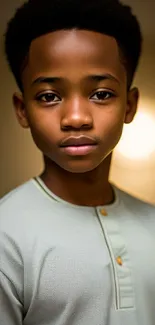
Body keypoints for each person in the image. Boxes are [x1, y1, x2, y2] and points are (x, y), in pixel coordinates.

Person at [1, 0, 155, 324]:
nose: (76, 118)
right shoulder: (6, 236)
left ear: (129, 105)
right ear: (22, 109)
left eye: (100, 94)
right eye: (48, 96)